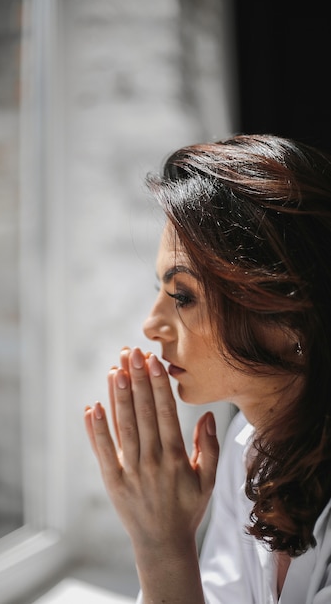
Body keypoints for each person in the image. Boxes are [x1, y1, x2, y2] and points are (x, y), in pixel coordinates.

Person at [84, 134, 331, 604]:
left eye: (183, 296)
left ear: (291, 315)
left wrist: (162, 544)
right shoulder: (249, 447)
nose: (151, 325)